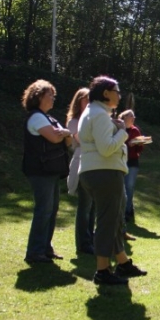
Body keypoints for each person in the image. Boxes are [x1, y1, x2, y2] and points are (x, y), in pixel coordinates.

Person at [78, 76, 147, 285]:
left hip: (98, 171)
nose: (119, 95)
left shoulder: (97, 113)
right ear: (106, 93)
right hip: (104, 172)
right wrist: (123, 132)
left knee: (115, 219)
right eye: (117, 91)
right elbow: (107, 148)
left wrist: (116, 127)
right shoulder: (98, 114)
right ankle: (102, 271)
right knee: (108, 221)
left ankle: (122, 262)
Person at [21, 79, 72, 264]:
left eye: (53, 95)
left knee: (52, 209)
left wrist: (64, 134)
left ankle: (45, 248)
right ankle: (34, 252)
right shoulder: (36, 117)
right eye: (49, 94)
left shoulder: (49, 118)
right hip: (40, 170)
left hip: (50, 170)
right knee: (44, 210)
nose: (53, 98)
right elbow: (55, 137)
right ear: (38, 96)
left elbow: (67, 140)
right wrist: (64, 133)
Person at [66, 87, 95, 255]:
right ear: (79, 102)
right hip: (82, 164)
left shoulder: (92, 119)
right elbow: (82, 140)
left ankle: (90, 239)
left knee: (93, 207)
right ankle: (83, 244)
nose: (89, 103)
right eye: (86, 99)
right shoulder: (74, 121)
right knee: (85, 206)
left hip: (94, 165)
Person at [119, 109, 151, 241]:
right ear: (124, 117)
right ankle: (127, 211)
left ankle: (127, 213)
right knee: (122, 187)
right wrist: (128, 143)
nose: (133, 118)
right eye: (131, 116)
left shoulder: (135, 130)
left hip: (132, 162)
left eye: (133, 116)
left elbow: (140, 149)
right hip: (119, 161)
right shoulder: (118, 127)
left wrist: (138, 143)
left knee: (130, 186)